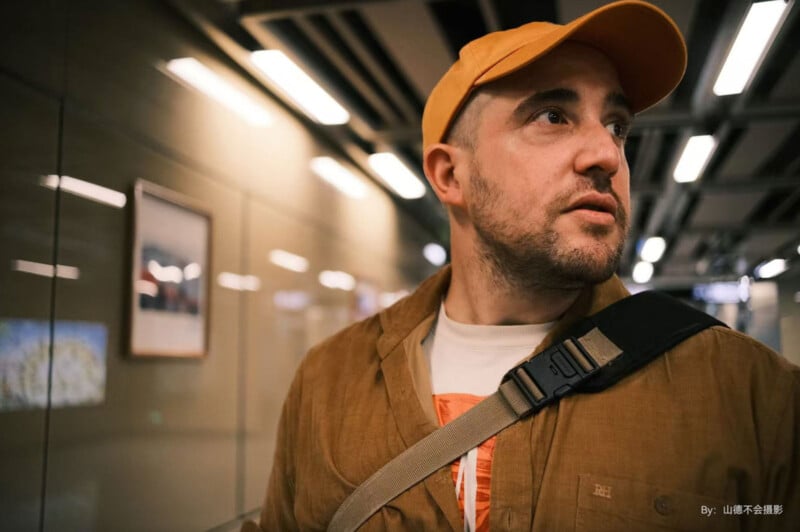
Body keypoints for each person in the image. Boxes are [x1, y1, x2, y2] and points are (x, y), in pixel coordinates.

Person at [249, 1, 799, 530]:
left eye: (616, 125)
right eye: (553, 116)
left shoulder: (750, 396)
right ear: (450, 176)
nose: (607, 155)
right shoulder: (330, 381)